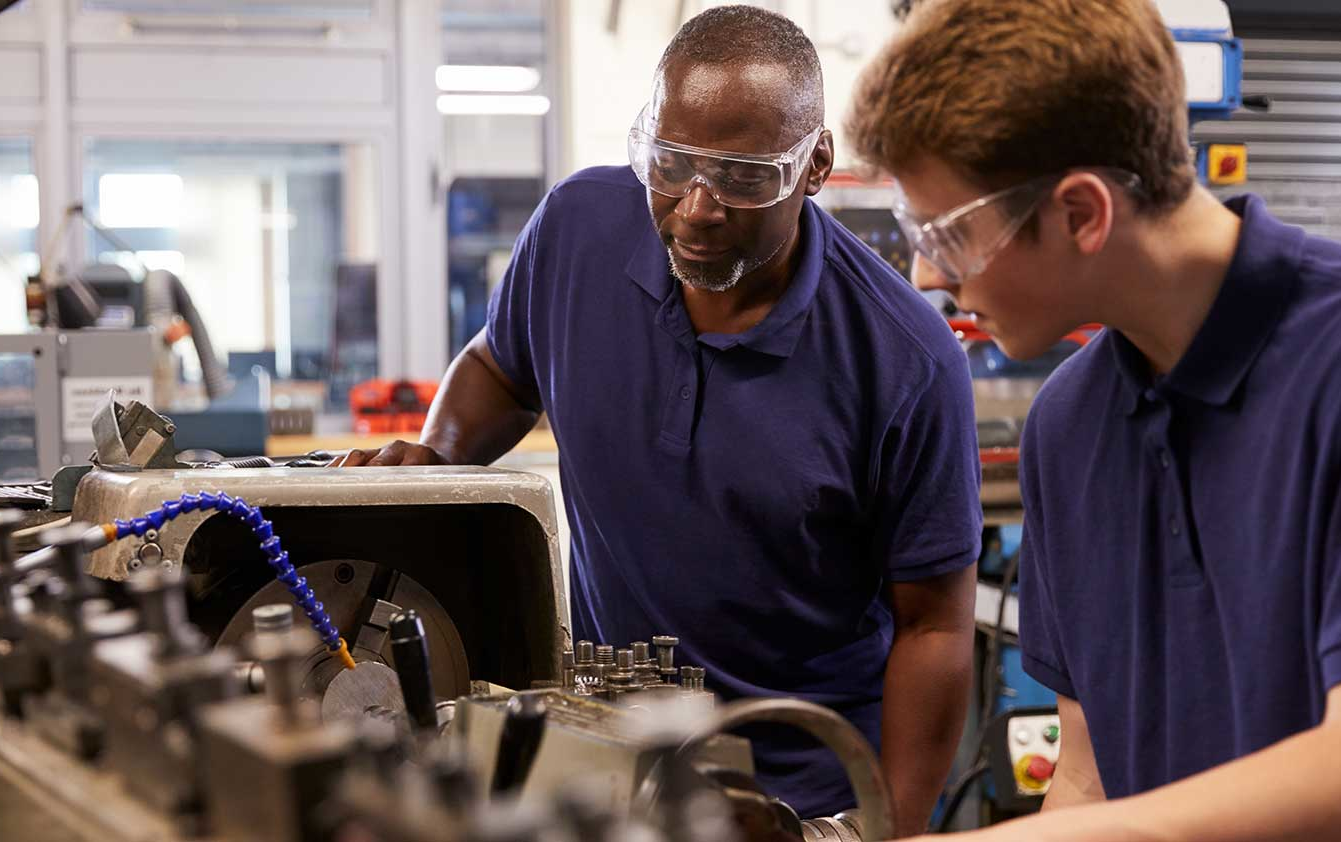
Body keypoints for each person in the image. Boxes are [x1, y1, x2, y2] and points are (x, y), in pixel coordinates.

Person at [844, 0, 1341, 839]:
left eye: (946, 232)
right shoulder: (1068, 426)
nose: (927, 275)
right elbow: (1088, 779)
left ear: (1082, 213)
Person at [337, 6, 980, 831]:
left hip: (798, 796)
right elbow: (501, 366)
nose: (697, 208)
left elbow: (935, 626)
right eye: (671, 164)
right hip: (602, 754)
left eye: (744, 176)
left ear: (815, 164)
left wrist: (883, 828)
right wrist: (437, 461)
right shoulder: (579, 229)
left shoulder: (905, 359)